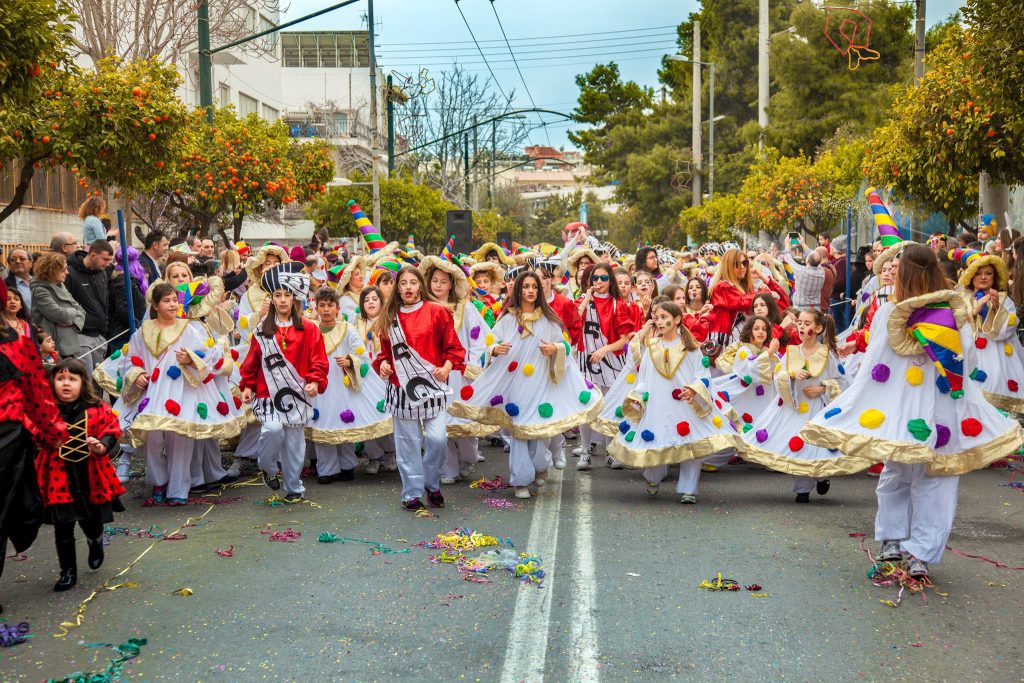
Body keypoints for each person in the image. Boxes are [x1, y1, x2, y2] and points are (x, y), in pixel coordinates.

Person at [801, 244, 1024, 578]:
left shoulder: (899, 312)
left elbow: (873, 364)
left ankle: (895, 543)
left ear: (903, 274)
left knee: (901, 474)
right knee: (934, 478)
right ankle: (918, 552)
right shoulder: (950, 311)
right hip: (936, 408)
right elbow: (968, 361)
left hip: (909, 408)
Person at [449, 271, 600, 500]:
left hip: (541, 385)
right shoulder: (507, 319)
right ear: (517, 291)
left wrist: (555, 350)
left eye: (534, 287)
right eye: (526, 287)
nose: (530, 291)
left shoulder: (549, 321)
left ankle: (542, 465)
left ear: (539, 291)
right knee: (519, 431)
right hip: (516, 387)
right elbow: (491, 343)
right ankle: (520, 480)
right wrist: (494, 350)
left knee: (539, 432)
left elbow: (565, 347)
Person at [114, 282, 241, 504]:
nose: (173, 305)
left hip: (182, 390)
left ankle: (178, 489)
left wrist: (190, 358)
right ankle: (159, 480)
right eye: (166, 301)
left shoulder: (188, 328)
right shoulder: (143, 331)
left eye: (175, 300)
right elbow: (131, 360)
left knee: (180, 438)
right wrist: (137, 374)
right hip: (152, 393)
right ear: (155, 305)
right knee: (151, 436)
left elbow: (208, 354)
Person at [607, 301, 742, 504]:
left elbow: (702, 375)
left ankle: (689, 489)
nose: (659, 322)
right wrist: (639, 396)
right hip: (657, 402)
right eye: (657, 318)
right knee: (656, 440)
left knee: (691, 443)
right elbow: (643, 377)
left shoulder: (691, 348)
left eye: (664, 317)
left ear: (677, 319)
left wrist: (694, 390)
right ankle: (653, 478)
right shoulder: (652, 348)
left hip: (686, 403)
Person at [372, 266, 465, 512]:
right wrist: (382, 364)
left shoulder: (437, 312)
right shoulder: (389, 317)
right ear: (397, 288)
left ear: (420, 286)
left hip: (433, 387)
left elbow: (454, 348)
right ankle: (412, 493)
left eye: (413, 282)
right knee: (407, 444)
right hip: (401, 390)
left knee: (437, 439)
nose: (408, 287)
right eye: (403, 283)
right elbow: (383, 353)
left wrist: (446, 368)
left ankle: (431, 484)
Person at [0, 279, 68, 613]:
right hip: (7, 435)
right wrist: (53, 430)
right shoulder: (16, 345)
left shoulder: (18, 343)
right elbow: (38, 397)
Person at [239, 263, 328, 502]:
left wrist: (314, 381)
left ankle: (293, 487)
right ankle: (267, 467)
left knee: (294, 446)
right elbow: (252, 361)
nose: (282, 300)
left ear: (294, 298)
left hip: (297, 395)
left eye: (287, 295)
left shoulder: (309, 329)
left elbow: (318, 359)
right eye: (277, 295)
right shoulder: (262, 330)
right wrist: (247, 385)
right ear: (272, 299)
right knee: (272, 429)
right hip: (268, 394)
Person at [36, 359, 124, 592]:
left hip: (90, 476)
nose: (66, 383)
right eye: (60, 378)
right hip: (58, 477)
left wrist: (101, 445)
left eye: (72, 379)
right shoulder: (46, 410)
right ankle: (68, 572)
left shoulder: (95, 408)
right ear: (52, 382)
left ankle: (95, 540)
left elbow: (112, 429)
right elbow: (32, 432)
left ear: (82, 383)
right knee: (62, 526)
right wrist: (46, 439)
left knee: (91, 521)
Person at [742, 309, 844, 503]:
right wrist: (791, 375)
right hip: (796, 406)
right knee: (800, 444)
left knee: (818, 445)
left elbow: (844, 381)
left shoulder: (827, 355)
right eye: (800, 323)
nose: (802, 327)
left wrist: (823, 388)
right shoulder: (790, 353)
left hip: (818, 407)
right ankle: (803, 489)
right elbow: (777, 377)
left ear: (819, 328)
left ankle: (823, 475)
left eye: (807, 324)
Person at [305, 286, 391, 485]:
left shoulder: (346, 329)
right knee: (323, 422)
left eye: (330, 305)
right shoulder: (311, 330)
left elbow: (362, 355)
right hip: (320, 386)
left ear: (337, 308)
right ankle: (326, 469)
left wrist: (350, 361)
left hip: (342, 385)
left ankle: (347, 465)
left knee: (344, 421)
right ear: (316, 308)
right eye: (322, 306)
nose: (326, 310)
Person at [949, 248, 1024, 413]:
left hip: (999, 357)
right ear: (971, 276)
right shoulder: (959, 297)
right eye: (978, 273)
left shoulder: (1004, 299)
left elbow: (1009, 329)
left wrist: (996, 309)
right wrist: (974, 312)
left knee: (996, 390)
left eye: (988, 273)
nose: (983, 277)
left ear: (994, 276)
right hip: (969, 353)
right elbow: (953, 325)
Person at [575, 262, 634, 470]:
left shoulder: (619, 304)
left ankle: (610, 452)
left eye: (603, 278)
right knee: (586, 406)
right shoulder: (583, 301)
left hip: (610, 360)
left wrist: (604, 350)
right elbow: (572, 321)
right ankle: (584, 452)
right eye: (595, 278)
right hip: (586, 359)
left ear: (610, 281)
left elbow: (624, 340)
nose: (599, 282)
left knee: (610, 406)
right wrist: (586, 299)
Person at [64, 240, 114, 373]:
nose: (108, 264)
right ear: (93, 256)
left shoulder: (102, 273)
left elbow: (105, 302)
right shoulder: (69, 272)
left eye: (110, 260)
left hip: (100, 335)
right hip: (80, 335)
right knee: (85, 379)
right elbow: (66, 303)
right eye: (105, 259)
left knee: (99, 381)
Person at [30, 251, 86, 360]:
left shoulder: (61, 286)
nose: (67, 272)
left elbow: (82, 311)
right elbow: (59, 315)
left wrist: (73, 322)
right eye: (63, 269)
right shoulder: (39, 290)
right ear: (52, 270)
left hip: (68, 345)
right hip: (52, 348)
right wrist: (73, 312)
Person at [107, 245, 148, 355]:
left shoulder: (127, 279)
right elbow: (123, 309)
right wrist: (136, 325)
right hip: (123, 334)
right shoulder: (123, 281)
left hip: (127, 331)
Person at [4, 248, 33, 313]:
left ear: (30, 263)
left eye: (22, 259)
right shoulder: (4, 286)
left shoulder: (40, 282)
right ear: (9, 264)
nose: (18, 261)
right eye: (13, 260)